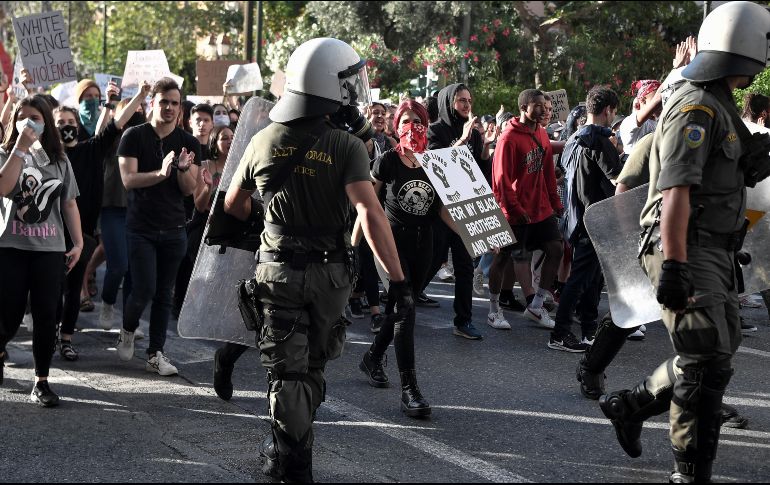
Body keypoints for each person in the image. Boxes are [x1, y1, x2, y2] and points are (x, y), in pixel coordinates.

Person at [223, 37, 412, 482]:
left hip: (278, 269)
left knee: (286, 369)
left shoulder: (263, 139)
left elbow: (233, 204)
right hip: (331, 273)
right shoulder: (346, 147)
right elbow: (369, 211)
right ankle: (293, 455)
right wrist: (398, 281)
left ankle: (287, 456)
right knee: (312, 365)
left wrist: (271, 214)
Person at [599, 3, 770, 481]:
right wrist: (674, 266)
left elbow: (725, 172)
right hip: (685, 243)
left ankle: (631, 406)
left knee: (715, 349)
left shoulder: (719, 102)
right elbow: (676, 189)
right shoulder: (696, 106)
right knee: (705, 360)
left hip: (713, 246)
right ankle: (689, 471)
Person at [358, 99, 461, 417]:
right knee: (405, 308)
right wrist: (356, 239)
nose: (412, 126)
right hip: (390, 245)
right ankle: (410, 390)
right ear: (396, 125)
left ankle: (372, 357)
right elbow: (368, 203)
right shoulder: (387, 160)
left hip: (424, 247)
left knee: (402, 309)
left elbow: (444, 210)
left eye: (418, 120)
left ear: (426, 125)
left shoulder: (436, 164)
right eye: (406, 120)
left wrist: (480, 236)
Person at [52, 82, 151, 360]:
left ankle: (66, 338)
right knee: (51, 289)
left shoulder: (91, 150)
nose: (67, 126)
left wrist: (138, 97)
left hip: (81, 234)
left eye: (71, 122)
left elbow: (116, 124)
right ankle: (50, 331)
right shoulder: (46, 157)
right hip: (48, 234)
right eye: (61, 122)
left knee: (73, 291)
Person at [0, 94, 83, 407]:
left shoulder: (60, 161)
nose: (28, 123)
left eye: (34, 117)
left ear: (46, 122)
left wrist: (77, 243)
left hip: (49, 249)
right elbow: (4, 187)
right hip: (10, 247)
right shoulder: (6, 152)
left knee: (47, 315)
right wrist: (20, 147)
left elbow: (69, 202)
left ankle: (41, 380)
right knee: (8, 315)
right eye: (22, 117)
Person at [116, 77, 201, 376]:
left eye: (174, 103)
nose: (169, 107)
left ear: (180, 109)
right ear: (152, 103)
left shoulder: (189, 143)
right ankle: (127, 330)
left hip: (175, 228)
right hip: (140, 228)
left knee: (165, 293)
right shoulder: (133, 136)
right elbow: (129, 180)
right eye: (163, 101)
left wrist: (181, 170)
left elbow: (190, 189)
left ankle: (156, 353)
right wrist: (161, 173)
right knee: (143, 290)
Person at [550, 86, 622, 352]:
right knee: (580, 280)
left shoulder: (575, 138)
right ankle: (560, 334)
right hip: (594, 218)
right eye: (614, 112)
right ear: (608, 110)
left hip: (578, 217)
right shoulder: (598, 140)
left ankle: (589, 330)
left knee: (592, 279)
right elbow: (618, 179)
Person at [424, 83, 495, 339]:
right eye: (461, 100)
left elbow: (480, 174)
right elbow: (436, 165)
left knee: (465, 265)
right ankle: (405, 302)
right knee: (432, 261)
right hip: (440, 210)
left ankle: (463, 320)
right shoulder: (435, 131)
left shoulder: (474, 134)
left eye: (469, 100)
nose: (467, 105)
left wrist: (484, 147)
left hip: (463, 207)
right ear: (448, 103)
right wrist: (462, 140)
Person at [488, 89, 563, 331]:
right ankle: (493, 309)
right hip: (515, 213)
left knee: (556, 248)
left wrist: (555, 202)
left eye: (545, 105)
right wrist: (515, 209)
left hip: (540, 209)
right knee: (502, 259)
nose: (543, 109)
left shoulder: (541, 133)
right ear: (524, 108)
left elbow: (548, 173)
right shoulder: (508, 138)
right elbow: (501, 180)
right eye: (538, 105)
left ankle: (536, 305)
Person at [99, 97, 149, 330]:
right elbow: (101, 133)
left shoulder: (146, 140)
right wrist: (110, 105)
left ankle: (130, 322)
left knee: (134, 271)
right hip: (112, 211)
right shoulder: (112, 141)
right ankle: (107, 303)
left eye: (140, 109)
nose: (137, 113)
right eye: (132, 109)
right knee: (118, 265)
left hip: (138, 212)